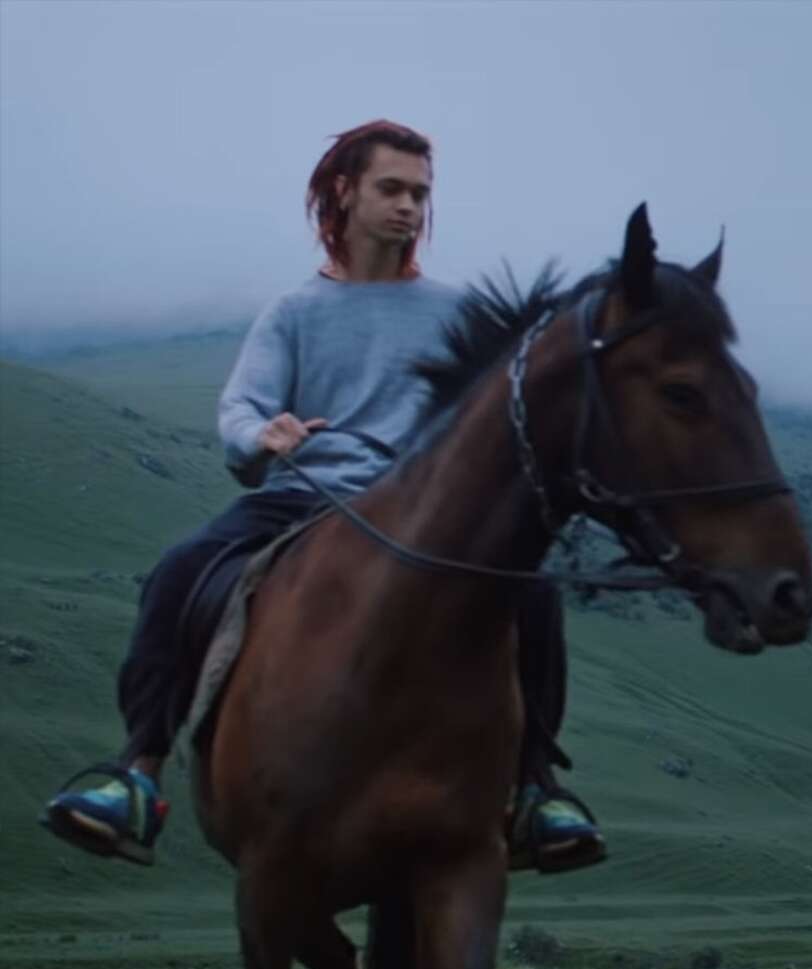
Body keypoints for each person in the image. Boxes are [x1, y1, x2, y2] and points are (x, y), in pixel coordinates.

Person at [39, 118, 606, 873]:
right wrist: (263, 437)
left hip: (430, 512)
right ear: (345, 192)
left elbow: (499, 417)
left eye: (421, 194)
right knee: (180, 568)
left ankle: (537, 790)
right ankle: (137, 772)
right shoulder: (295, 313)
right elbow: (240, 411)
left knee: (531, 591)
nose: (410, 207)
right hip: (313, 497)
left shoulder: (458, 312)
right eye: (392, 189)